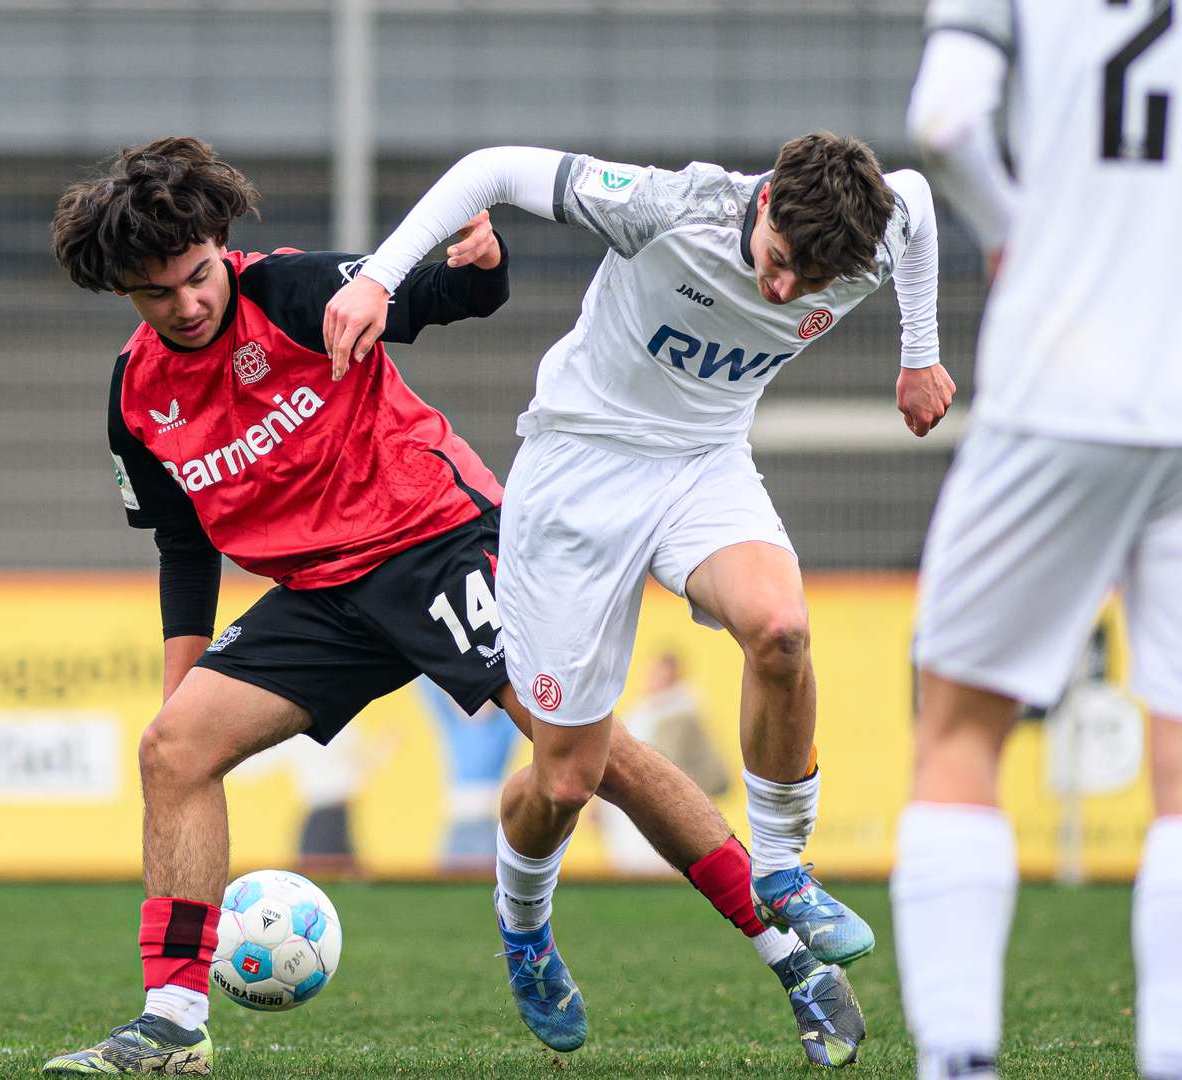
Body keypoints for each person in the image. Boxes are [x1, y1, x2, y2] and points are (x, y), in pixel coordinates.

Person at [39, 136, 865, 1076]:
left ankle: (792, 959)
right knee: (172, 750)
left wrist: (479, 265)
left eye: (196, 277)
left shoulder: (294, 292)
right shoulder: (137, 392)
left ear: (220, 245)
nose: (186, 304)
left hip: (439, 545)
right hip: (319, 596)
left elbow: (442, 299)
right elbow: (183, 542)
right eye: (158, 294)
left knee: (596, 766)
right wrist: (180, 682)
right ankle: (174, 1026)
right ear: (124, 295)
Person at [327, 129, 952, 1025]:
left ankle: (781, 869)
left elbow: (920, 200)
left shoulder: (867, 234)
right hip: (578, 474)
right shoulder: (670, 206)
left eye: (808, 284)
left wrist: (919, 353)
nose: (783, 291)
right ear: (766, 197)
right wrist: (378, 278)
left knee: (781, 631)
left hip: (703, 464)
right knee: (565, 778)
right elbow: (492, 169)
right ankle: (525, 928)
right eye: (778, 262)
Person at [900, 3, 1181, 1077]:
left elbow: (947, 119)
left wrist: (1021, 235)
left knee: (962, 729)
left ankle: (962, 1058)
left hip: (1062, 378)